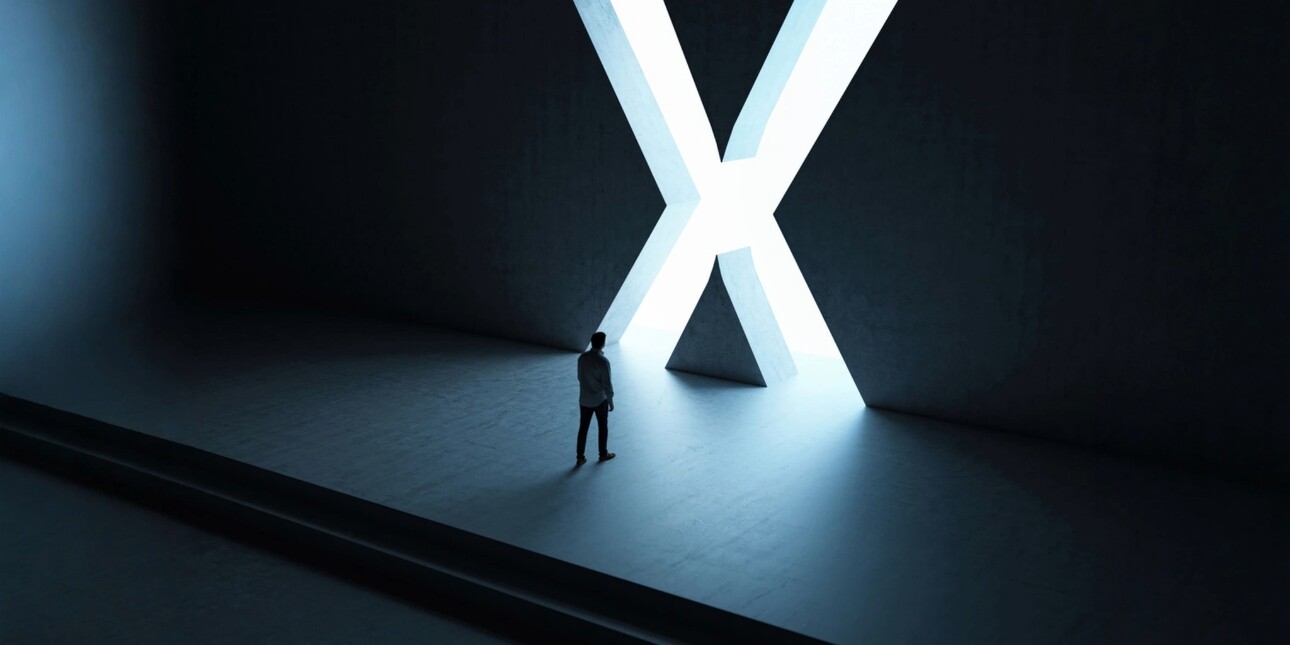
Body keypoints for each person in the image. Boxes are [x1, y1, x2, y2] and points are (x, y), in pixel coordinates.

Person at [576, 331, 615, 465]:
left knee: (583, 428)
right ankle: (603, 454)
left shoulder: (582, 358)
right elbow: (607, 384)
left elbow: (580, 377)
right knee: (603, 427)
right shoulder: (603, 362)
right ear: (603, 344)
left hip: (584, 399)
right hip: (600, 400)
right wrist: (610, 400)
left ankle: (580, 457)